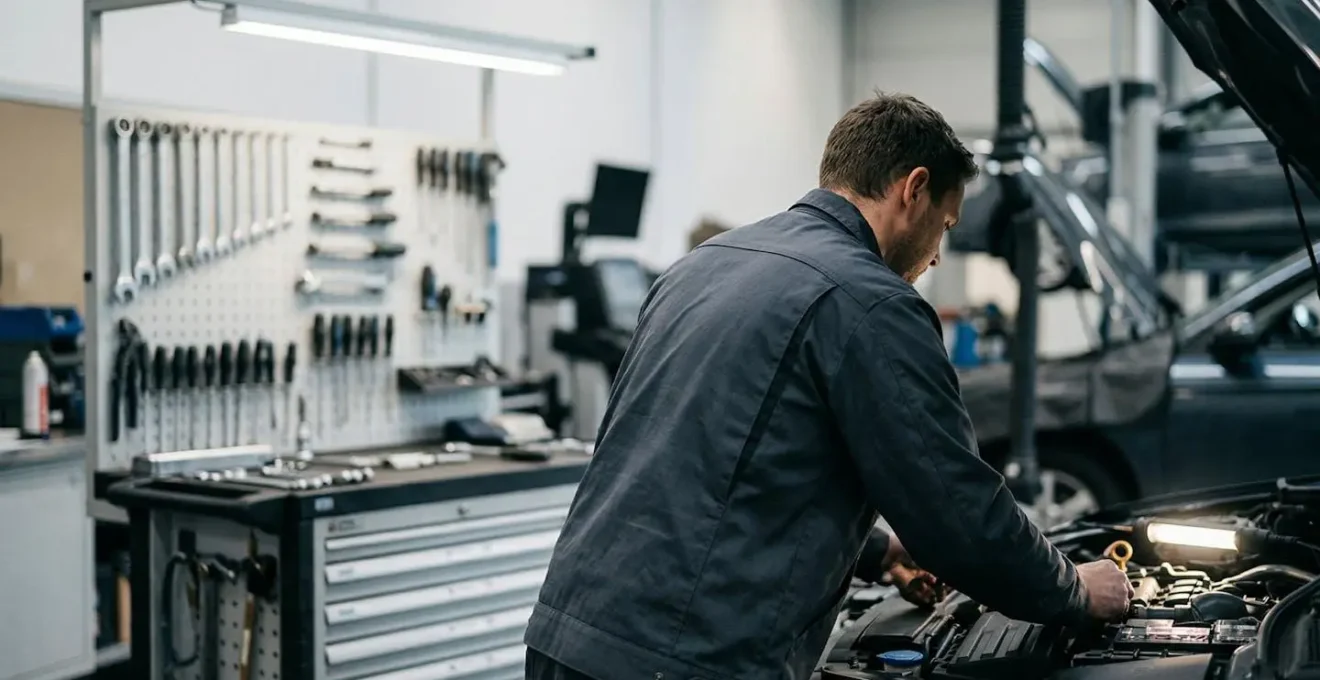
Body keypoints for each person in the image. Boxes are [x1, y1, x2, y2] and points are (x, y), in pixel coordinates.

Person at [523, 93, 1133, 680]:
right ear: (913, 189)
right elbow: (957, 514)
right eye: (945, 226)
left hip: (567, 633)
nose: (938, 255)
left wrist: (879, 552)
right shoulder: (872, 303)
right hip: (688, 657)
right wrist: (1074, 588)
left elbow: (707, 467)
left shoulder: (701, 266)